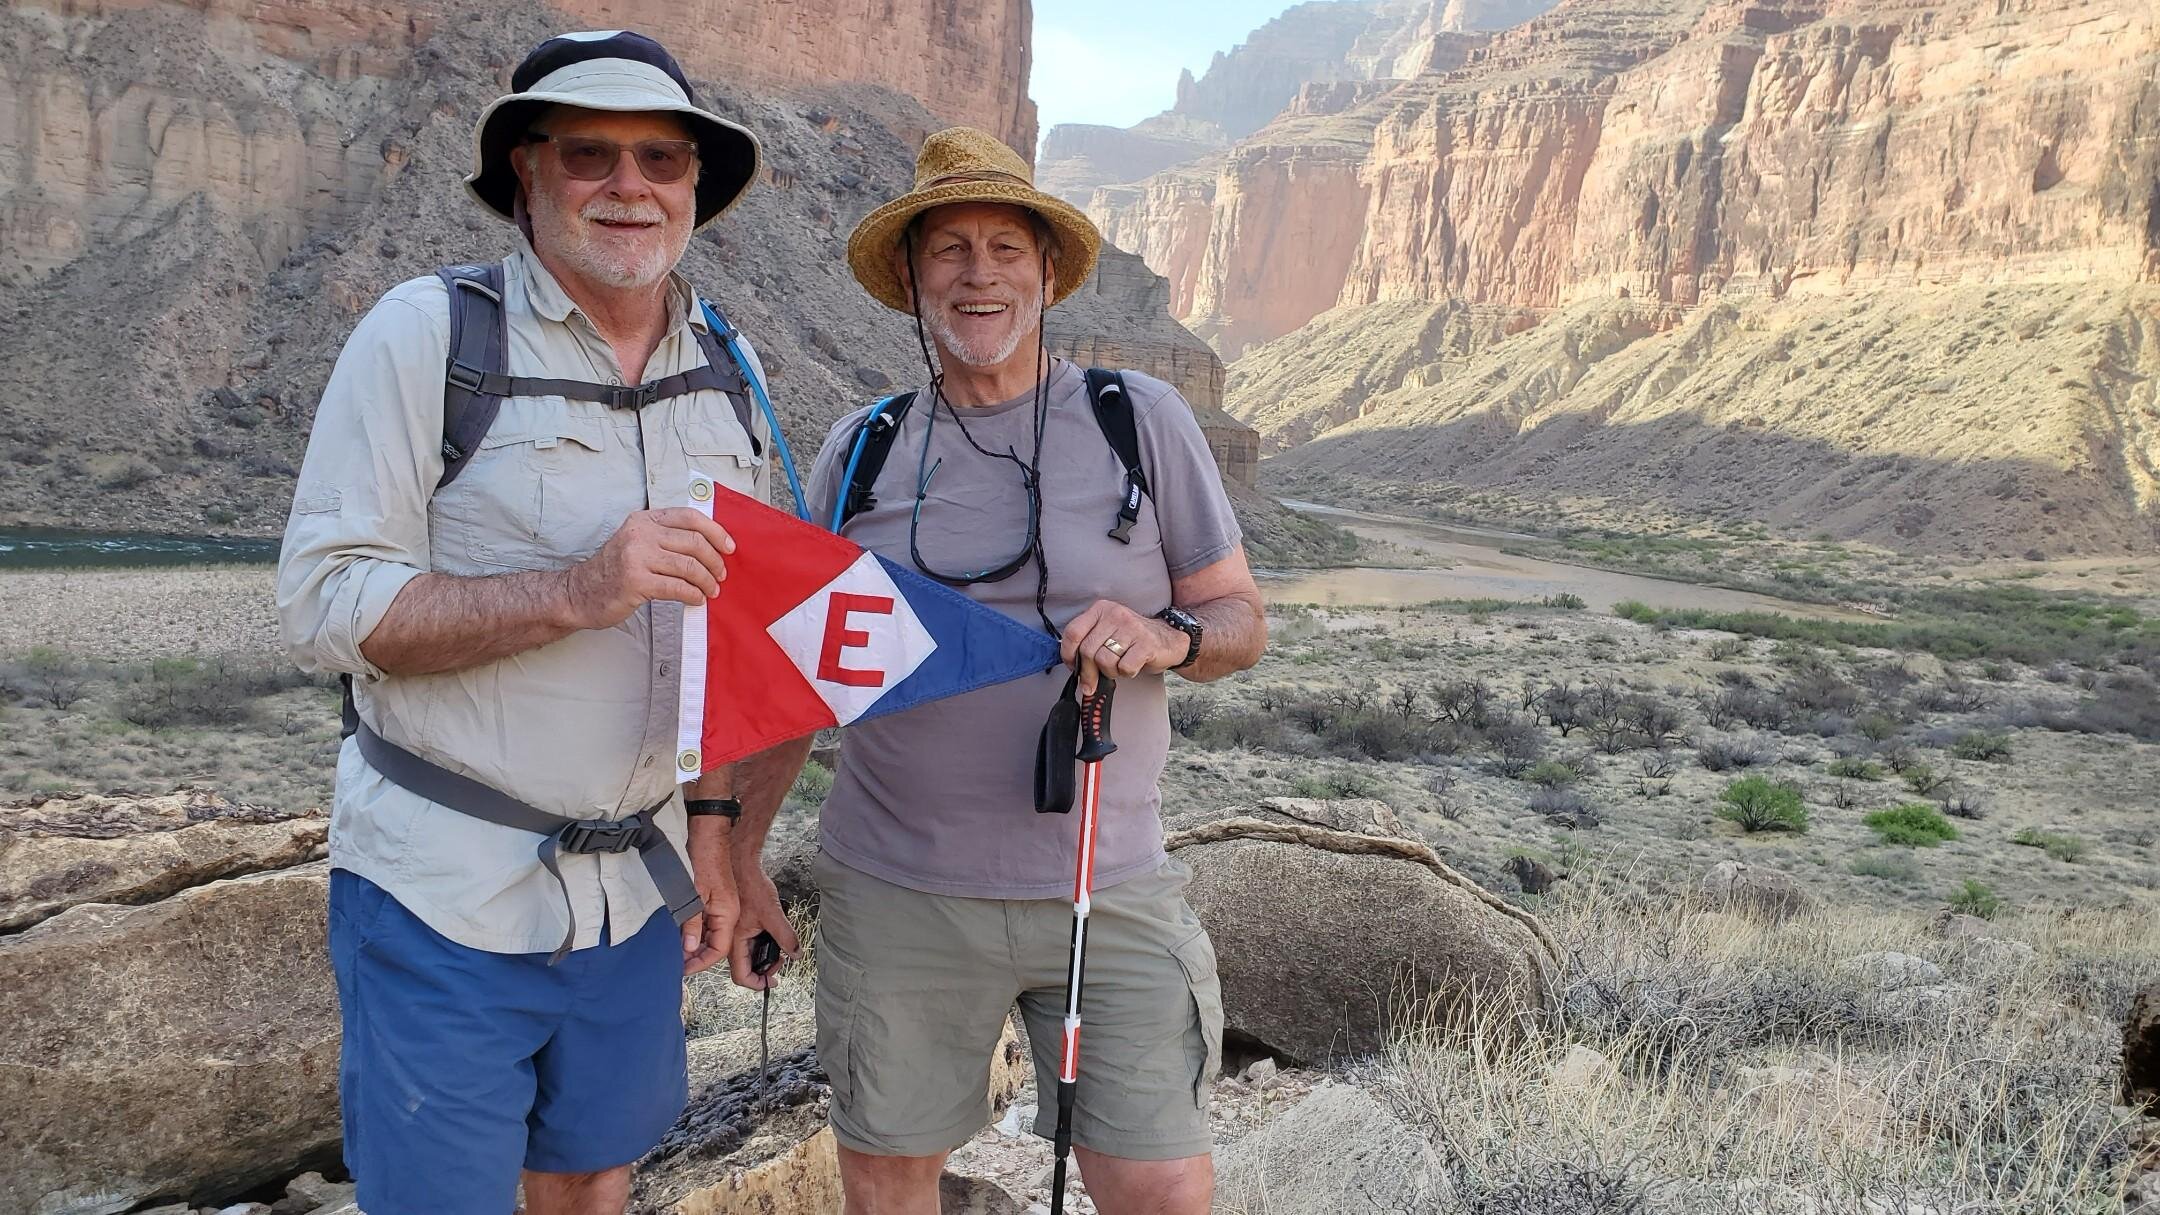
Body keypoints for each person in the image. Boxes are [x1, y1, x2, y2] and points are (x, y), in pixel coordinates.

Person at [276, 30, 798, 1215]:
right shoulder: (428, 336)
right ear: (526, 168)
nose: (631, 185)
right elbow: (324, 599)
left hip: (633, 902)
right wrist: (576, 587)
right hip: (442, 893)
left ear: (695, 186)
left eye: (662, 158)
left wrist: (718, 838)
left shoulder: (731, 367)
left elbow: (734, 638)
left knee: (591, 1182)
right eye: (589, 154)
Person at [766, 126, 1269, 1214]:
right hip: (895, 890)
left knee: (1163, 1187)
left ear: (1047, 271)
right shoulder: (860, 449)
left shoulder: (1139, 420)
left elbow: (1239, 619)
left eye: (1005, 246)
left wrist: (1168, 638)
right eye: (948, 249)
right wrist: (734, 852)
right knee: (889, 1182)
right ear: (910, 277)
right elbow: (796, 681)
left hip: (1108, 880)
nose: (978, 273)